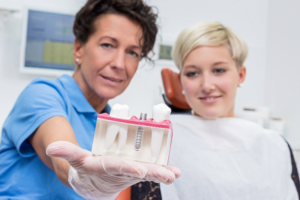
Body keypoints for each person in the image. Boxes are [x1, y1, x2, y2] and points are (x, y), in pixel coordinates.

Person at [0, 0, 180, 199]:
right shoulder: (42, 95)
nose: (119, 63)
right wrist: (80, 177)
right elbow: (63, 161)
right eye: (107, 45)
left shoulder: (112, 123)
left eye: (132, 52)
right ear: (78, 48)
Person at [160, 21, 299, 199]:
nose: (207, 85)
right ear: (181, 82)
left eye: (218, 70)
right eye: (193, 73)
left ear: (240, 75)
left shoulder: (273, 146)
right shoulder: (160, 140)